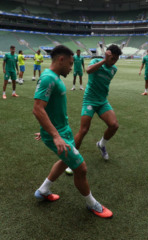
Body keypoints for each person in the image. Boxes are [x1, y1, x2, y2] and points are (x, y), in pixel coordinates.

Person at [33, 45, 113, 218]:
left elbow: (47, 110)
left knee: (64, 161)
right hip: (58, 134)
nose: (71, 68)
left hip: (63, 131)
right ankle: (92, 204)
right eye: (70, 64)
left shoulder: (54, 77)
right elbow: (38, 109)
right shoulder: (48, 78)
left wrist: (46, 130)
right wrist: (53, 135)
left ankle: (43, 190)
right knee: (81, 168)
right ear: (61, 59)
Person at [73, 44, 122, 161]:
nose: (114, 62)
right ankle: (72, 159)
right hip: (89, 100)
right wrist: (104, 60)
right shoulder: (96, 61)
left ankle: (101, 144)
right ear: (107, 55)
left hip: (102, 101)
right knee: (83, 130)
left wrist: (108, 60)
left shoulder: (114, 70)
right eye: (112, 58)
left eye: (116, 59)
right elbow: (89, 70)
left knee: (114, 125)